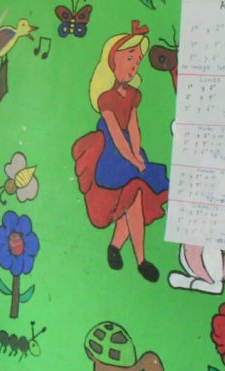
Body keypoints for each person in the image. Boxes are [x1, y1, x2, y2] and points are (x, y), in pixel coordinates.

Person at [72, 20, 170, 283]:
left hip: (130, 153)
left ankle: (116, 247)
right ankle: (140, 259)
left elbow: (134, 130)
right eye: (129, 58)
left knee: (133, 200)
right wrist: (131, 158)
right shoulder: (106, 98)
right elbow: (115, 134)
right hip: (113, 157)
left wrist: (138, 155)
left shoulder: (133, 95)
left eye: (137, 61)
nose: (133, 66)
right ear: (112, 60)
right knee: (133, 199)